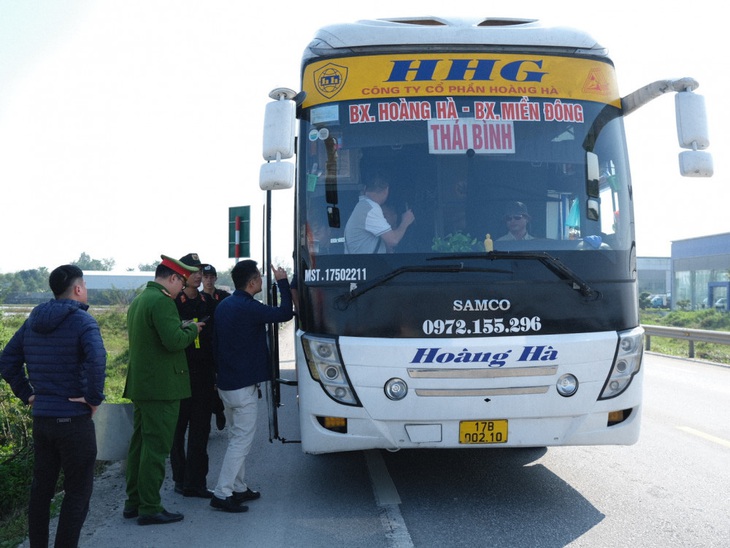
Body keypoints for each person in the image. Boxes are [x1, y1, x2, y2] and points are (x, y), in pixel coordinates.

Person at [0, 265, 106, 548]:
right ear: (78, 288)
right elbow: (97, 360)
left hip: (43, 420)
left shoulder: (33, 320)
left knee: (41, 492)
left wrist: (29, 395)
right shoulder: (84, 323)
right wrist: (94, 399)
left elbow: (6, 360)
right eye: (84, 284)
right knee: (77, 494)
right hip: (74, 422)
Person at [123, 255, 204, 526]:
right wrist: (192, 328)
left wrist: (179, 328)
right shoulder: (162, 302)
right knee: (156, 449)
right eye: (181, 283)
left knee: (140, 446)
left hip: (143, 386)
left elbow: (155, 337)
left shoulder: (140, 300)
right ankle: (150, 507)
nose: (182, 288)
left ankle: (133, 501)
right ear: (172, 278)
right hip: (163, 388)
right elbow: (174, 342)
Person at [210, 260, 293, 513]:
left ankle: (238, 487)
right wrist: (282, 282)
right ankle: (222, 493)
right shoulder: (249, 308)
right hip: (243, 387)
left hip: (226, 384)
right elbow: (285, 313)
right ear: (252, 281)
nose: (260, 280)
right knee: (240, 442)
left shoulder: (224, 306)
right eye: (259, 276)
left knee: (236, 437)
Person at [170, 253, 217, 498]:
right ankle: (179, 477)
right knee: (177, 431)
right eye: (193, 270)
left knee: (200, 430)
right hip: (179, 374)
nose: (198, 275)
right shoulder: (172, 303)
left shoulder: (207, 302)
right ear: (181, 274)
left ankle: (196, 482)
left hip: (203, 375)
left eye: (200, 270)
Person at [344, 173, 415, 253]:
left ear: (366, 189)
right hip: (367, 264)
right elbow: (393, 240)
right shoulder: (371, 208)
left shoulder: (363, 206)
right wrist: (405, 222)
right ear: (386, 190)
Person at [200, 263, 229, 430]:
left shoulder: (223, 296)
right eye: (206, 277)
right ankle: (213, 411)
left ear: (216, 278)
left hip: (221, 344)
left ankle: (219, 410)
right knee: (207, 382)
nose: (209, 280)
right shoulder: (198, 298)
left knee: (219, 381)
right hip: (204, 345)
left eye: (211, 277)